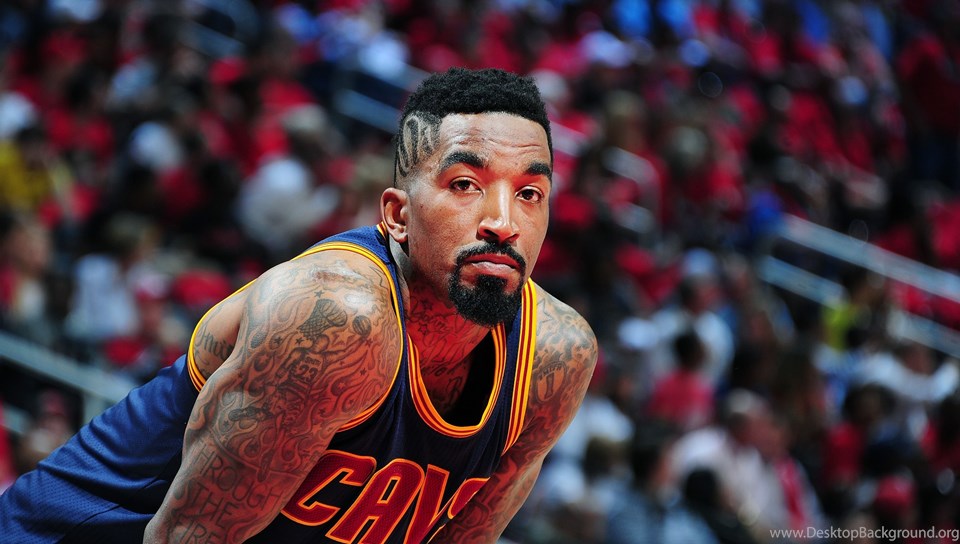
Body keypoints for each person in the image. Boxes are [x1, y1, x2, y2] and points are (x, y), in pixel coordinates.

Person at [0, 67, 598, 543]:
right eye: (465, 184)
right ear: (397, 215)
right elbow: (185, 537)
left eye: (530, 193)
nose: (503, 222)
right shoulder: (338, 316)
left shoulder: (555, 358)